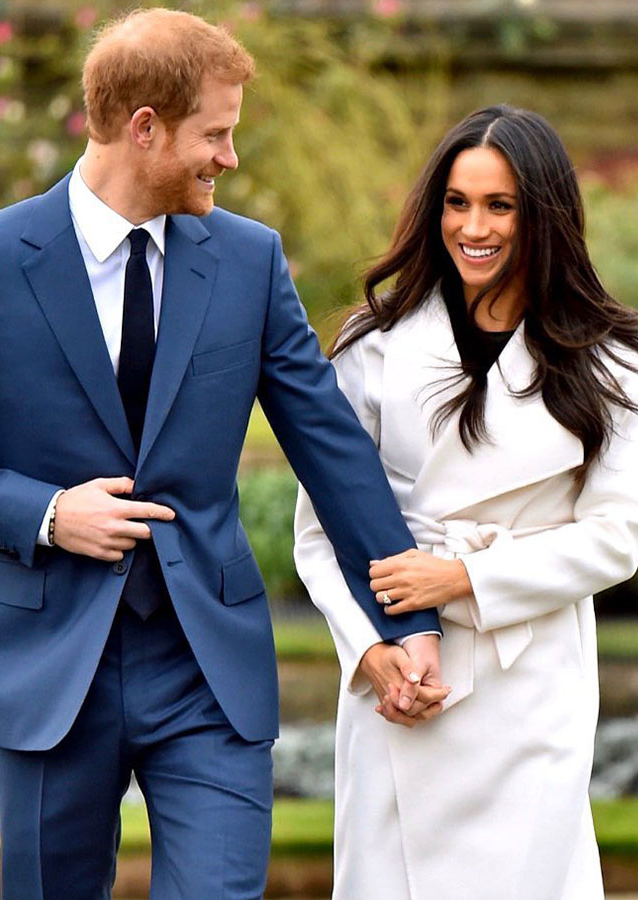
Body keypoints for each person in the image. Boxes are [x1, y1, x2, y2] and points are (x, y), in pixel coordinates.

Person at [0, 8, 450, 899]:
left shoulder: (250, 262)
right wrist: (50, 514)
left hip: (206, 666)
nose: (230, 158)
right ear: (145, 129)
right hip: (47, 661)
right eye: (215, 133)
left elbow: (330, 445)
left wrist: (405, 618)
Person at [294, 104, 638, 900]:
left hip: (529, 682)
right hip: (399, 680)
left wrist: (463, 581)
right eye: (457, 201)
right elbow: (321, 535)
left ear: (543, 215)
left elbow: (618, 538)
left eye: (499, 205)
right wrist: (370, 655)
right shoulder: (373, 346)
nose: (472, 226)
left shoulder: (612, 361)